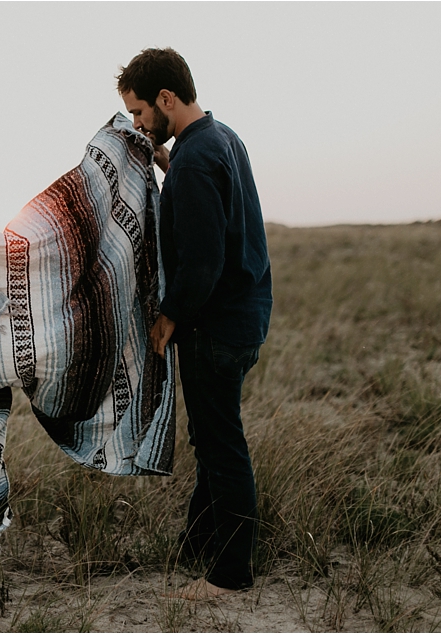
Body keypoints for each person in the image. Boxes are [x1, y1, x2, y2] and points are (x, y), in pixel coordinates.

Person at [117, 48, 273, 600]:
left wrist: (168, 317)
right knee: (212, 439)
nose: (137, 124)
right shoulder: (219, 138)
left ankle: (229, 576)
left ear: (165, 99)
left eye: (139, 113)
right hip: (245, 314)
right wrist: (166, 160)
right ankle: (197, 545)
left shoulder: (197, 159)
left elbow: (203, 261)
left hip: (214, 325)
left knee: (221, 446)